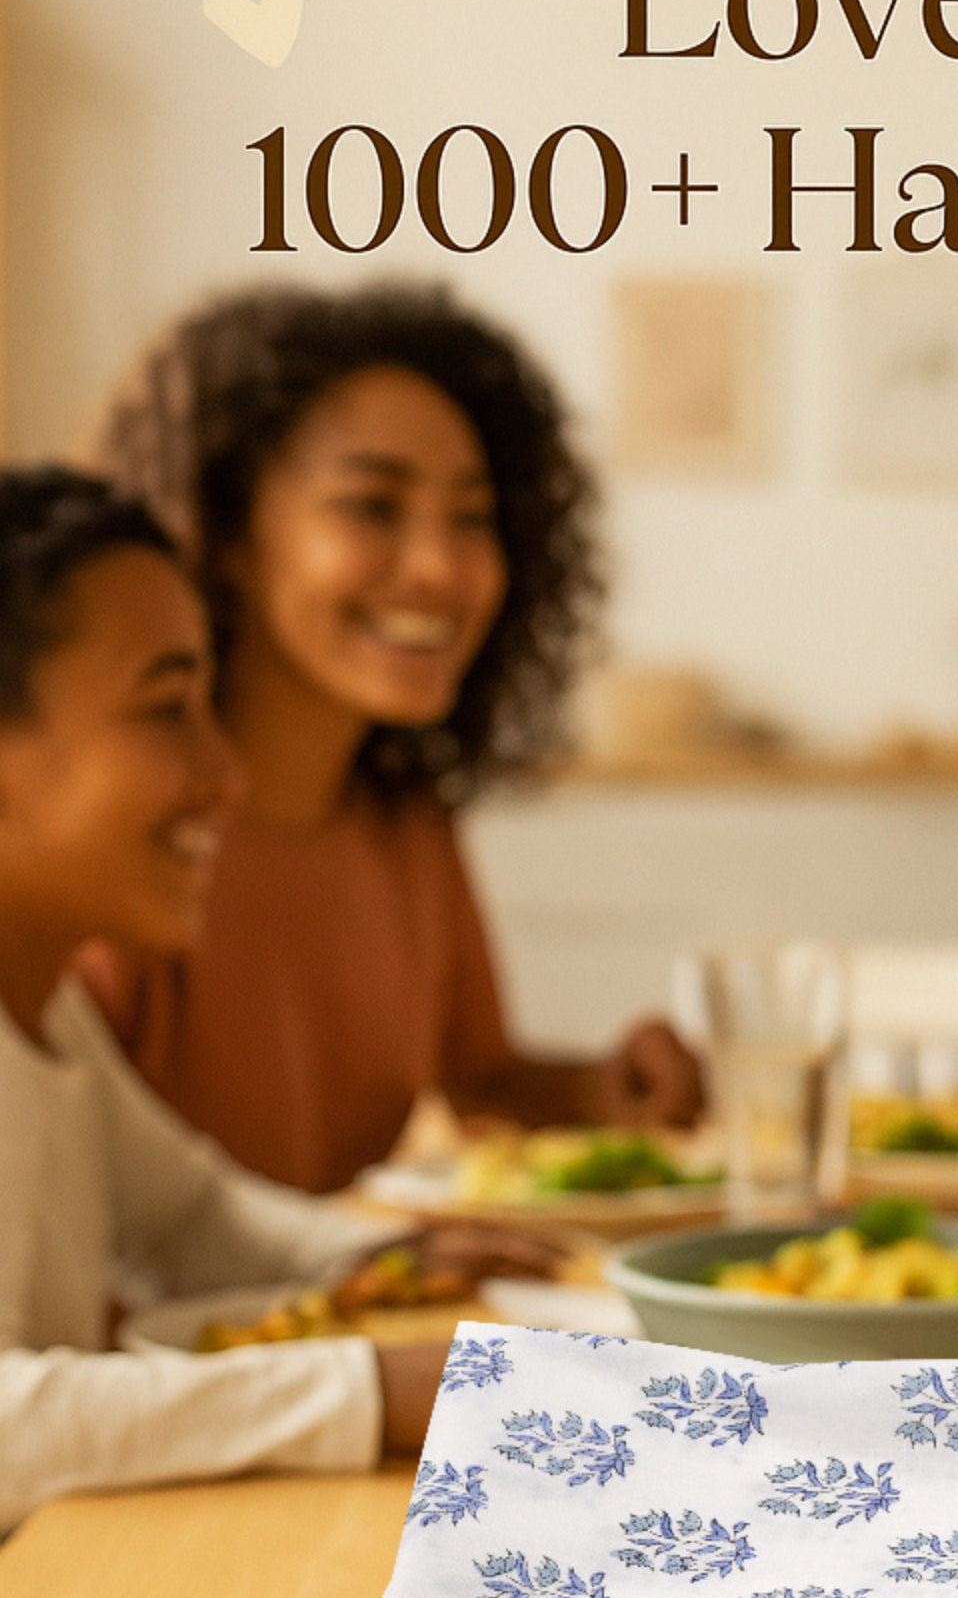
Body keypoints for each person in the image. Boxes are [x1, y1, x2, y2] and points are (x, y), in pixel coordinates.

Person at [0, 467, 546, 1533]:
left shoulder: (43, 1002)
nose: (225, 771)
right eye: (167, 709)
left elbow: (187, 1215)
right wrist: (365, 1390)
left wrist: (375, 1258)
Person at [77, 284, 704, 1192]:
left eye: (473, 518)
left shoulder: (406, 824)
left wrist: (606, 1087)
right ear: (226, 534)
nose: (441, 567)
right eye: (372, 506)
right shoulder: (119, 835)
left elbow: (480, 1082)